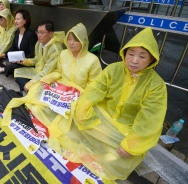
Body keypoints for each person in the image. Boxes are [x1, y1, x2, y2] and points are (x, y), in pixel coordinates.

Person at [45, 27, 167, 182]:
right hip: (103, 117)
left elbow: (149, 119)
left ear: (152, 60)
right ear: (124, 53)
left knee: (122, 158)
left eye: (142, 56)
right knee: (78, 107)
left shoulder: (156, 85)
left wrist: (131, 145)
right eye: (131, 54)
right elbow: (94, 90)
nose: (134, 60)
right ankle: (99, 147)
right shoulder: (113, 69)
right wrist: (83, 113)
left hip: (125, 129)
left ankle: (104, 148)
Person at [3, 23, 102, 139]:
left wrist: (82, 97)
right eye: (69, 39)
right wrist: (48, 79)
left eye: (76, 40)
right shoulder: (64, 54)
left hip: (79, 93)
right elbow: (58, 71)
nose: (71, 43)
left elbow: (94, 85)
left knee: (75, 123)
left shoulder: (92, 60)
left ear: (83, 41)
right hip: (62, 88)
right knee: (36, 100)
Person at [11, 20, 65, 92]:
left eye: (42, 33)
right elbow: (37, 59)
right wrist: (24, 61)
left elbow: (48, 70)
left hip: (50, 75)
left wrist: (30, 83)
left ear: (51, 34)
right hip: (39, 70)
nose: (38, 35)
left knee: (36, 85)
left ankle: (30, 88)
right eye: (38, 32)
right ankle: (29, 88)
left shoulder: (55, 48)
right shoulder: (39, 43)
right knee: (17, 74)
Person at [0, 9, 37, 77]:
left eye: (18, 19)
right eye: (15, 19)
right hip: (17, 59)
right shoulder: (17, 32)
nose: (15, 21)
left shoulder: (31, 34)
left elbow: (32, 54)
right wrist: (3, 55)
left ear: (25, 20)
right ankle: (11, 68)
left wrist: (22, 60)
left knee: (13, 66)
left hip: (26, 61)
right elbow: (13, 47)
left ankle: (2, 69)